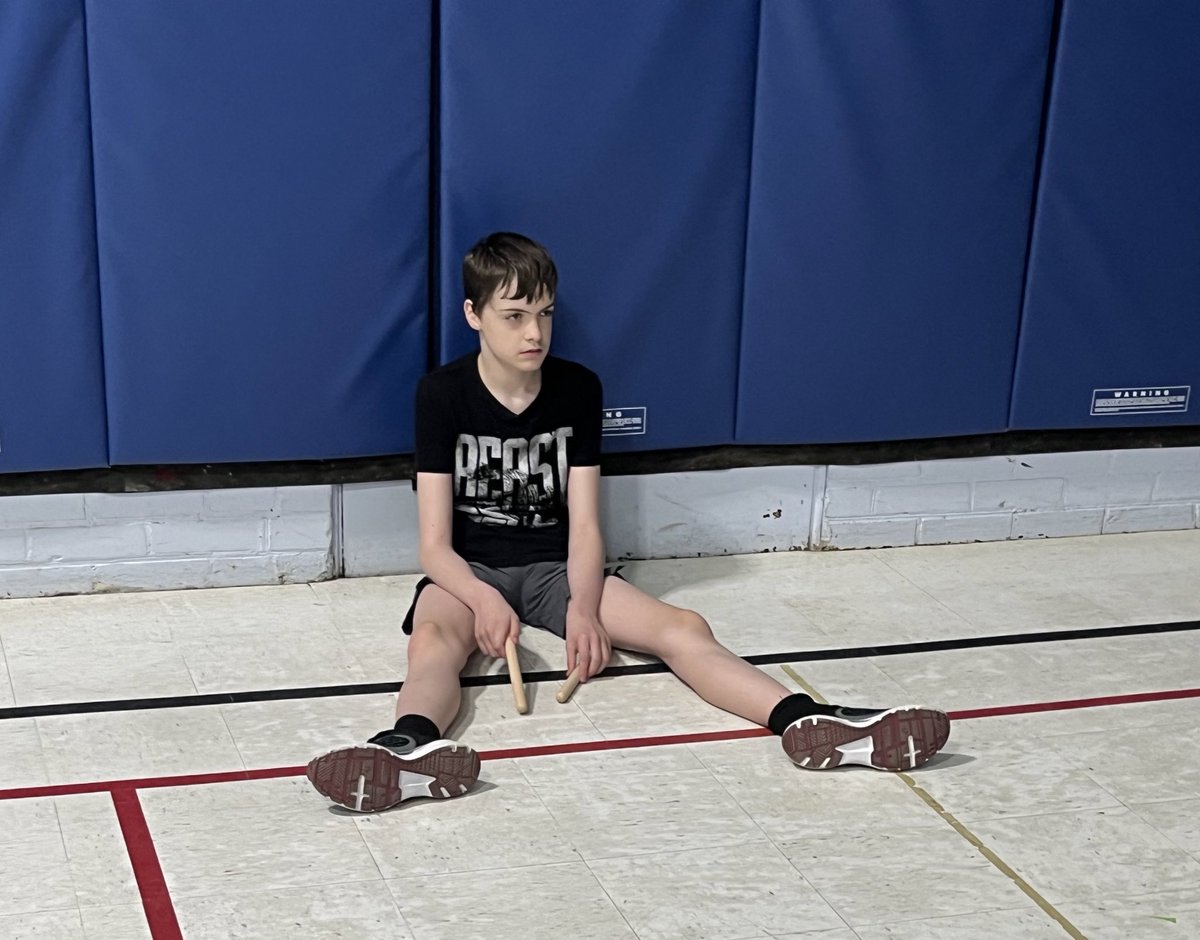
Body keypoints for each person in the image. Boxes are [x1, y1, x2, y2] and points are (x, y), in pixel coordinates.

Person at [307, 232, 949, 812]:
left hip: (557, 569)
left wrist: (583, 608)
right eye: (514, 316)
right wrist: (478, 597)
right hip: (467, 571)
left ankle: (809, 720)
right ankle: (404, 749)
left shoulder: (578, 388)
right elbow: (433, 545)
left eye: (545, 314)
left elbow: (585, 526)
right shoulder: (440, 395)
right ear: (474, 316)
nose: (534, 333)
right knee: (435, 645)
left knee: (682, 626)